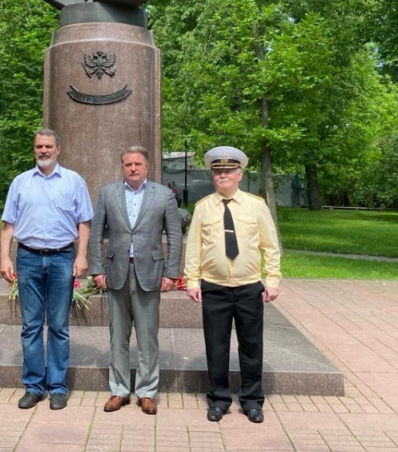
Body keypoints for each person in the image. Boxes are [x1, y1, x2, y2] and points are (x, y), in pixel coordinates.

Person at [184, 146, 281, 424]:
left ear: (240, 174)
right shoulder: (203, 208)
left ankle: (252, 400)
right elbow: (194, 249)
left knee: (251, 346)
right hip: (214, 287)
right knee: (216, 346)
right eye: (217, 171)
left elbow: (270, 246)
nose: (222, 175)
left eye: (228, 171)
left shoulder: (256, 205)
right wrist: (193, 280)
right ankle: (219, 399)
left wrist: (272, 280)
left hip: (249, 286)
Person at [0, 129, 93, 410]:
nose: (43, 150)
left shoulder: (74, 181)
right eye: (39, 146)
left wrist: (82, 256)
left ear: (58, 149)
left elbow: (84, 223)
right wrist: (4, 257)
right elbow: (8, 224)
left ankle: (58, 386)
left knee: (59, 326)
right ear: (34, 150)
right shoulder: (20, 182)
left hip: (62, 258)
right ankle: (33, 386)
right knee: (30, 326)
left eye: (48, 146)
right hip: (27, 258)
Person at [89, 146, 182, 415]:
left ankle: (146, 392)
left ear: (147, 167)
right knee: (117, 335)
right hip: (116, 271)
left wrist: (171, 273)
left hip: (150, 273)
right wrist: (96, 269)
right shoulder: (108, 193)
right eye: (128, 164)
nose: (133, 168)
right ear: (122, 167)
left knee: (147, 336)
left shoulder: (163, 195)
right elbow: (96, 234)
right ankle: (119, 390)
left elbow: (175, 237)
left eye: (138, 164)